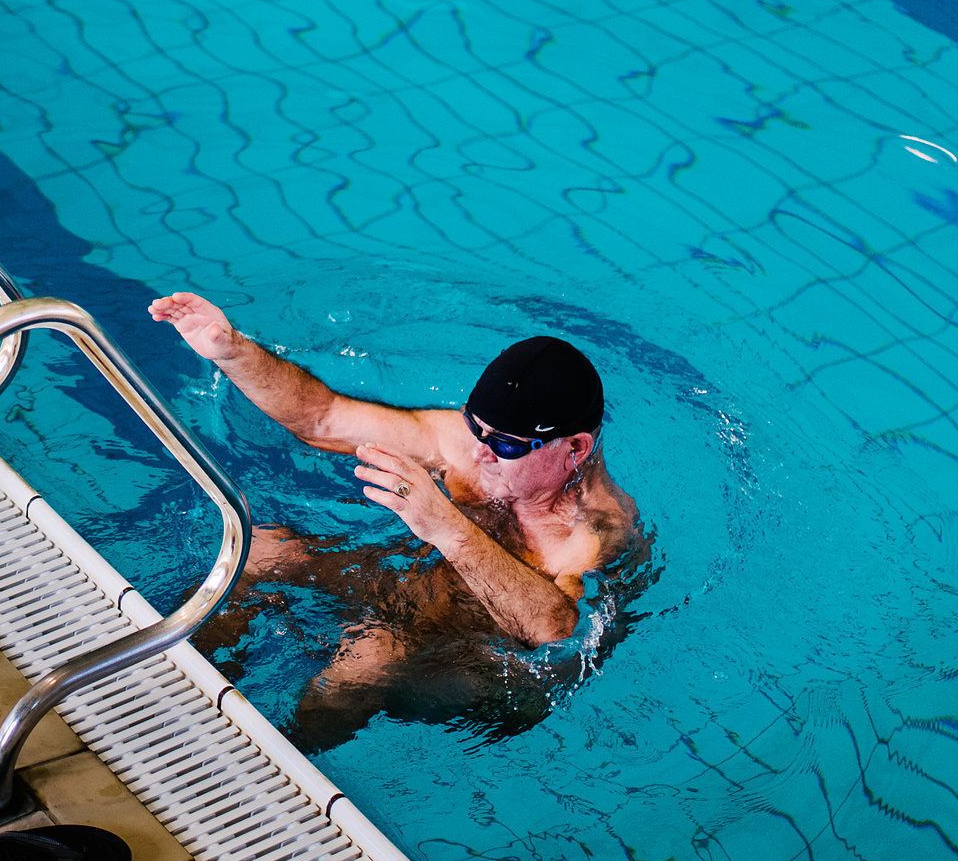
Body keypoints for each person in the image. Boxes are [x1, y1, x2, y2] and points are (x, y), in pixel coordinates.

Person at [151, 295, 644, 749]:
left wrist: (445, 526)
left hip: (469, 664)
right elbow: (323, 417)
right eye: (475, 427)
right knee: (262, 549)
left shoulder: (595, 529)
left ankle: (268, 761)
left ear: (575, 447)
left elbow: (557, 632)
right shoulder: (469, 448)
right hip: (403, 592)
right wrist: (232, 351)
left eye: (505, 444)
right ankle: (168, 683)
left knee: (370, 656)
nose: (480, 452)